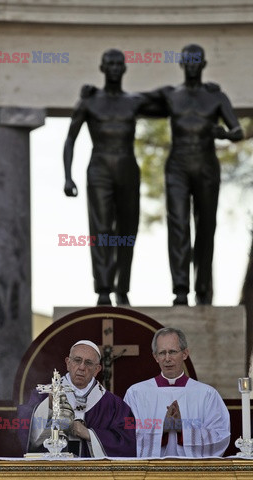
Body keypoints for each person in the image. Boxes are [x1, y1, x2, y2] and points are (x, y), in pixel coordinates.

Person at [63, 48, 165, 306]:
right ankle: (103, 289)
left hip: (127, 168)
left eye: (119, 64)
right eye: (110, 64)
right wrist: (68, 176)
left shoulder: (134, 101)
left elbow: (170, 101)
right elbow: (70, 139)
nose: (115, 68)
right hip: (99, 168)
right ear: (102, 68)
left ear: (125, 68)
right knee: (101, 230)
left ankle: (123, 288)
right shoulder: (89, 101)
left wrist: (196, 89)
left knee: (127, 231)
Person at [143, 44, 244, 305]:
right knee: (178, 226)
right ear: (181, 64)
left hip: (206, 166)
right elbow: (134, 100)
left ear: (203, 64)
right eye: (187, 60)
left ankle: (203, 290)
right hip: (177, 165)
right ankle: (180, 289)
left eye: (196, 60)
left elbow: (238, 131)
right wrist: (97, 93)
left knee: (206, 227)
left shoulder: (216, 97)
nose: (191, 65)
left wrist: (222, 133)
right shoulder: (170, 95)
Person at [17, 340, 136, 457]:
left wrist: (90, 434)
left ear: (97, 370)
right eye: (77, 360)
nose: (82, 367)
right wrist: (47, 407)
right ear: (68, 363)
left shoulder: (114, 405)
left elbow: (127, 444)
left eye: (88, 363)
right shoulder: (45, 395)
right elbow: (25, 430)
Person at [124, 327, 230, 457]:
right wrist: (162, 429)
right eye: (162, 353)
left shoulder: (207, 394)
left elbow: (221, 434)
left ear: (185, 353)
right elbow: (125, 432)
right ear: (155, 357)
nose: (167, 358)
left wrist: (183, 430)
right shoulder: (136, 393)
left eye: (173, 352)